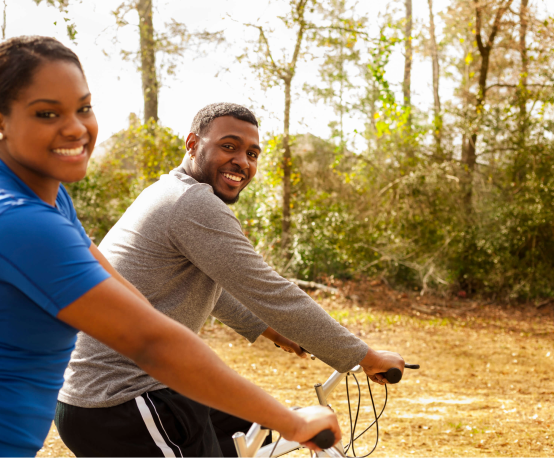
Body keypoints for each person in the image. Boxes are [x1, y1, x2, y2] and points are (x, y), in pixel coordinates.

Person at [0, 38, 341, 458]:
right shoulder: (16, 221)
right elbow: (152, 342)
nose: (76, 128)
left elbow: (134, 304)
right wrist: (290, 420)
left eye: (83, 108)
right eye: (48, 113)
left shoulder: (46, 197)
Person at [56, 103, 405, 457]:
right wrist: (365, 356)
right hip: (123, 400)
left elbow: (216, 289)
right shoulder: (193, 203)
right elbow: (269, 291)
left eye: (252, 153)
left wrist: (271, 330)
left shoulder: (169, 190)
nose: (243, 161)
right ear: (192, 144)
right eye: (229, 146)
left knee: (253, 429)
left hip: (124, 392)